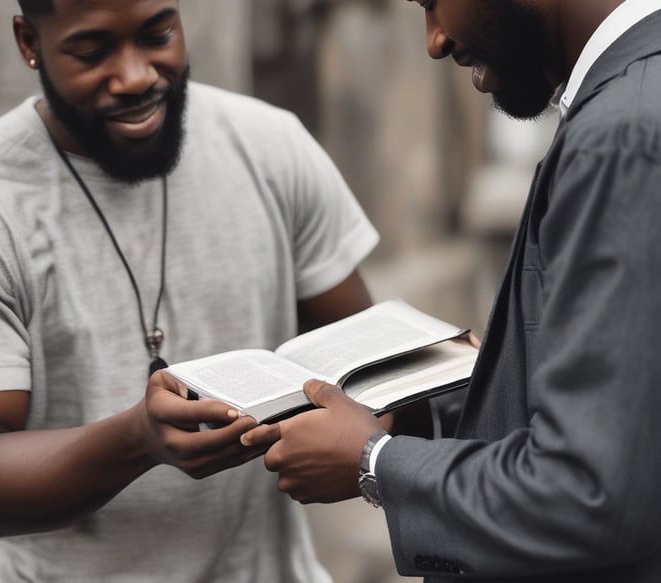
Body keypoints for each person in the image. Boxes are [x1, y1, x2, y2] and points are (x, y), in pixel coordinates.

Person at [0, 1, 380, 581]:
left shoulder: (272, 148)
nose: (136, 76)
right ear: (29, 41)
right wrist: (136, 440)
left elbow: (366, 368)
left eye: (158, 34)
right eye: (92, 51)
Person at [240, 0, 661, 581]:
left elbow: (588, 492)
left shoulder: (620, 135)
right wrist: (463, 388)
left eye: (433, 3)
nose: (434, 40)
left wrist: (373, 462)